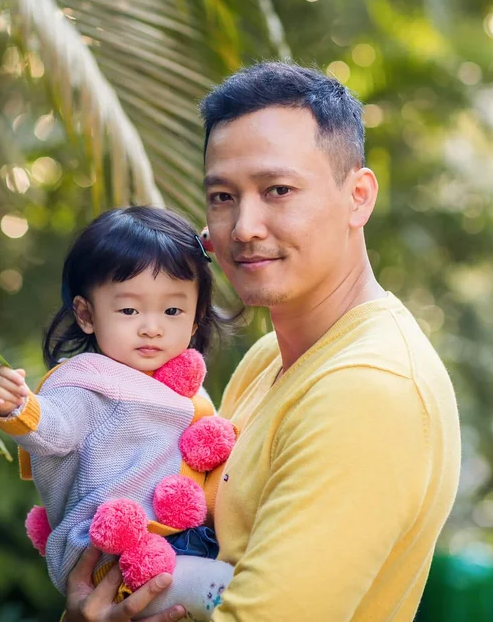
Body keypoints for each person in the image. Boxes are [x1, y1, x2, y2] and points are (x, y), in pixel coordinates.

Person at [62, 61, 462, 622]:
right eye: (223, 197)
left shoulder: (369, 389)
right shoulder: (268, 357)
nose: (244, 226)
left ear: (359, 197)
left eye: (278, 190)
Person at [0, 206, 237, 621]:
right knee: (238, 593)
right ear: (85, 314)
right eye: (129, 310)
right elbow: (53, 428)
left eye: (172, 311)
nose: (151, 327)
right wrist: (17, 407)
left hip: (182, 541)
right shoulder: (87, 383)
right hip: (115, 561)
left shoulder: (183, 389)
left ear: (195, 319)